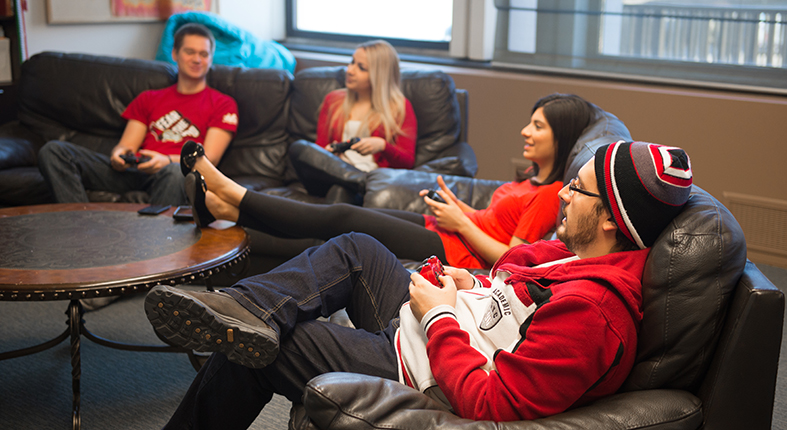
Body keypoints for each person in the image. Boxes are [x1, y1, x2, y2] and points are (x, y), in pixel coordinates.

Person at [145, 140, 694, 427]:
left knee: (273, 345)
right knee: (357, 246)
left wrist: (439, 316)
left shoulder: (594, 316)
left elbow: (491, 402)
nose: (564, 197)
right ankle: (236, 307)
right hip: (437, 330)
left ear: (610, 220)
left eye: (578, 190)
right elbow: (513, 297)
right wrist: (470, 282)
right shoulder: (572, 255)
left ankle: (240, 322)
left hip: (430, 373)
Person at [183, 93, 594, 269]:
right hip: (450, 231)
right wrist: (459, 207)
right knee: (333, 225)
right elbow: (495, 220)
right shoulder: (529, 181)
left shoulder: (547, 197)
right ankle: (223, 210)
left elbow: (510, 260)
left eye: (537, 127)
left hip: (456, 253)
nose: (525, 131)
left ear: (560, 137)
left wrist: (462, 223)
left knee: (341, 216)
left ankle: (232, 193)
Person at [37, 23, 238, 207]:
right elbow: (127, 145)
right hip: (136, 170)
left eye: (204, 54)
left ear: (211, 58)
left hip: (174, 171)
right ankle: (78, 226)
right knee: (53, 151)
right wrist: (119, 155)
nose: (197, 59)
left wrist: (166, 160)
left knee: (175, 173)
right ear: (175, 54)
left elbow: (209, 159)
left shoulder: (223, 104)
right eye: (190, 52)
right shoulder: (148, 98)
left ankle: (160, 242)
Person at [288, 39, 417, 203]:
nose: (350, 70)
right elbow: (320, 147)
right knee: (299, 148)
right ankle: (362, 183)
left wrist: (383, 146)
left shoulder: (399, 107)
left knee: (341, 191)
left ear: (379, 75)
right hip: (334, 173)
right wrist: (328, 154)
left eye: (361, 68)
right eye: (352, 62)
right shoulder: (333, 101)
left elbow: (408, 163)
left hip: (371, 179)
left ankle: (361, 183)